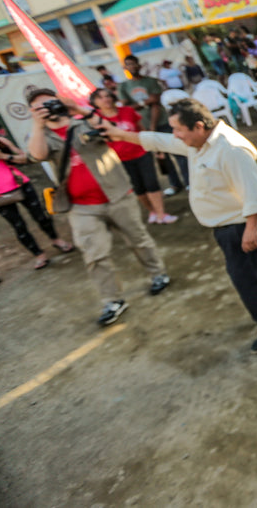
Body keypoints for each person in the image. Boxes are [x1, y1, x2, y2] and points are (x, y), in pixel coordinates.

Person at [105, 99, 257, 353]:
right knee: (256, 263)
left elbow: (254, 191)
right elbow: (159, 140)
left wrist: (251, 227)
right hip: (230, 223)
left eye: (178, 129)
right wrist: (119, 134)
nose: (175, 135)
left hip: (238, 223)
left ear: (199, 126)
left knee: (244, 276)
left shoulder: (230, 149)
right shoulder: (197, 142)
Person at [26, 89, 170, 326]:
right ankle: (112, 300)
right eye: (39, 107)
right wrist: (37, 125)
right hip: (81, 207)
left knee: (138, 239)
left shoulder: (83, 122)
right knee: (94, 255)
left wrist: (79, 109)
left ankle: (158, 274)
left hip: (117, 195)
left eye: (50, 103)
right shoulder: (40, 135)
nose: (47, 109)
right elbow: (37, 154)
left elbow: (111, 131)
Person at [89, 88, 177, 225]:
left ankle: (161, 213)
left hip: (141, 152)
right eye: (100, 97)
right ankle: (152, 211)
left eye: (107, 96)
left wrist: (153, 146)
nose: (105, 99)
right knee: (138, 188)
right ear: (94, 102)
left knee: (151, 183)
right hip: (119, 160)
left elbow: (141, 129)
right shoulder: (95, 120)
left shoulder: (127, 111)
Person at [0, 134, 73, 269]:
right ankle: (39, 255)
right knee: (19, 226)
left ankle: (56, 240)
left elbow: (24, 158)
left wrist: (3, 155)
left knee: (40, 216)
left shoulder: (0, 141)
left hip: (21, 184)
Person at [119, 54, 186, 196]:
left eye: (133, 64)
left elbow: (155, 101)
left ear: (139, 65)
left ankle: (189, 182)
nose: (132, 67)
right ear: (125, 67)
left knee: (178, 151)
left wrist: (152, 124)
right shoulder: (124, 86)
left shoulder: (151, 82)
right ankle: (174, 184)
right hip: (143, 127)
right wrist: (145, 103)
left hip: (161, 122)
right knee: (162, 157)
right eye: (128, 64)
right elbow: (127, 108)